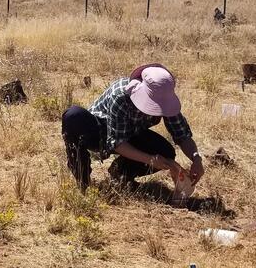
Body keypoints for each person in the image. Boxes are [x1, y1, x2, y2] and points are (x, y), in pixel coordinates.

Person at [62, 64, 204, 196]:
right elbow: (117, 143)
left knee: (166, 152)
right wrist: (151, 160)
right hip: (99, 132)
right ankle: (83, 182)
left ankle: (120, 174)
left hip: (129, 134)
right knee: (73, 116)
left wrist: (196, 158)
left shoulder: (165, 98)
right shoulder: (120, 96)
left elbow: (182, 135)